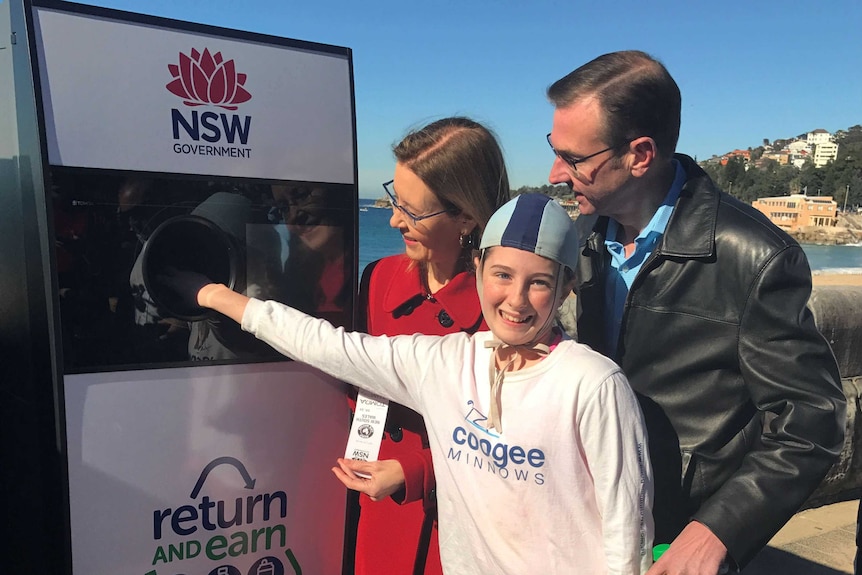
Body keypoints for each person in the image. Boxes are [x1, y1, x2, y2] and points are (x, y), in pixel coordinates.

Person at [159, 193, 655, 574]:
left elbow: (626, 532)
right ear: (479, 270)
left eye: (540, 282)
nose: (516, 300)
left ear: (566, 287)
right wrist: (213, 294)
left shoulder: (593, 384)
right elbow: (326, 344)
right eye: (502, 275)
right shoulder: (444, 363)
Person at [545, 50, 846, 574]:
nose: (554, 172)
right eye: (555, 149)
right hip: (598, 523)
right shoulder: (584, 238)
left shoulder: (755, 256)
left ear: (640, 155)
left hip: (682, 537)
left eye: (573, 158)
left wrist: (715, 533)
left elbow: (811, 421)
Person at [336, 117, 510, 575]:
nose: (394, 218)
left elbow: (514, 440)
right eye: (395, 198)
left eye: (412, 211)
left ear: (467, 217)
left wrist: (414, 470)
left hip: (453, 528)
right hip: (370, 504)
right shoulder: (377, 279)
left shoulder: (507, 306)